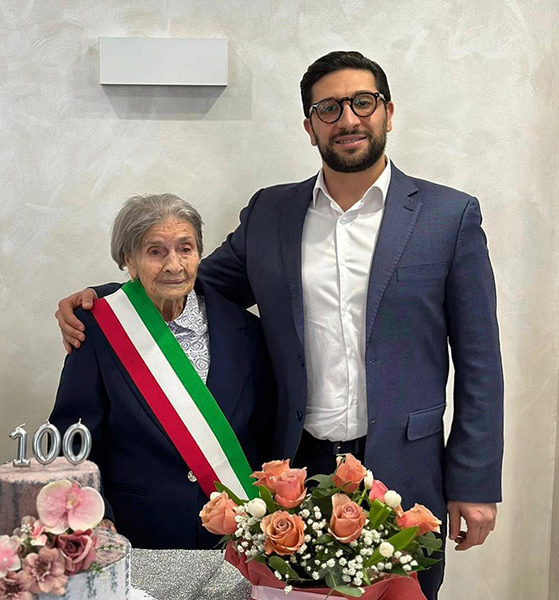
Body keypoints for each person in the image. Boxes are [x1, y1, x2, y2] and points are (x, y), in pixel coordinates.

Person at [55, 52, 503, 599]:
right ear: (310, 126)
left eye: (363, 103)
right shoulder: (271, 213)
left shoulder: (448, 216)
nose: (348, 118)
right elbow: (192, 281)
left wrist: (475, 480)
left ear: (388, 112)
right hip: (294, 476)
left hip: (405, 469)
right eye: (328, 108)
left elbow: (480, 362)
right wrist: (100, 303)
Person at [50, 193, 275, 550]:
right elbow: (73, 442)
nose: (174, 265)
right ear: (129, 260)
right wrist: (94, 518)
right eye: (155, 252)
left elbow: (263, 435)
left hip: (232, 539)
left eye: (186, 249)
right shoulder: (98, 330)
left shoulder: (246, 331)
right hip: (135, 535)